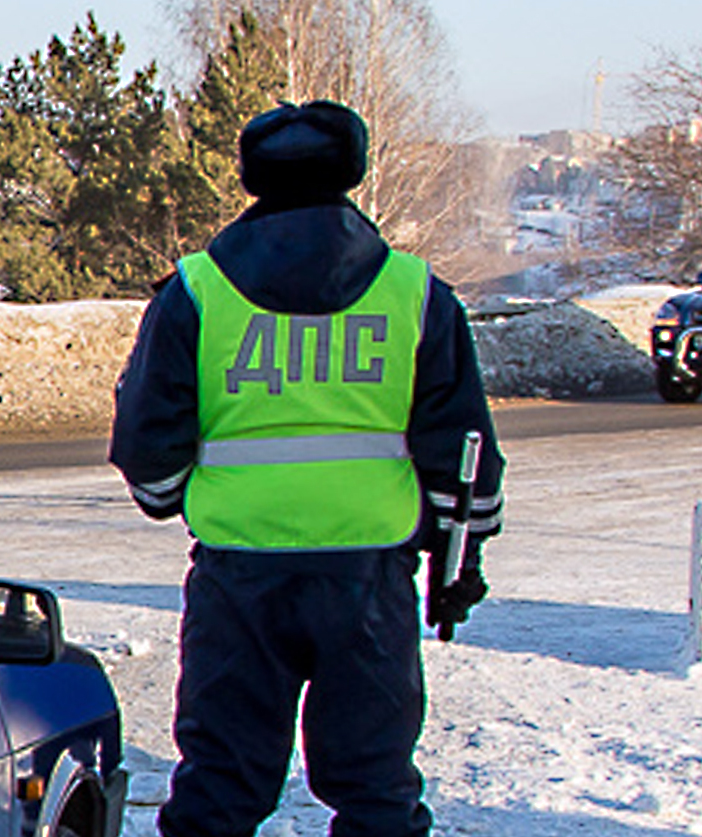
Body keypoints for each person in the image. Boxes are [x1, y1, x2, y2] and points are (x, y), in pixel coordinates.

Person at [109, 100, 504, 837]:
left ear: (251, 176)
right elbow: (464, 452)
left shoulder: (197, 290)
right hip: (368, 577)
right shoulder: (416, 294)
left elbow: (147, 443)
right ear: (351, 172)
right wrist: (460, 561)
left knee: (220, 784)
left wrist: (173, 496)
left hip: (239, 574)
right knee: (375, 786)